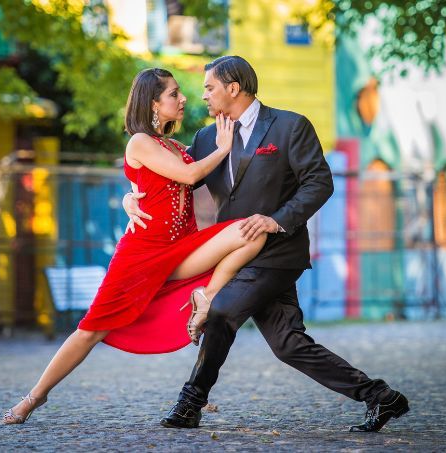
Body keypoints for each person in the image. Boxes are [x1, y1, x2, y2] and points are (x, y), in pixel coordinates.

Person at [124, 56, 409, 433]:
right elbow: (170, 179)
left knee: (221, 311)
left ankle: (189, 403)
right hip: (235, 255)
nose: (203, 95)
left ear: (233, 88)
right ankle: (381, 396)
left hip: (278, 252)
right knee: (288, 344)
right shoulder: (207, 138)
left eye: (210, 87)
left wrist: (277, 220)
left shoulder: (291, 126)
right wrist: (132, 197)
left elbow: (319, 183)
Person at [2, 68, 266, 425]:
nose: (184, 98)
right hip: (142, 255)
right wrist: (222, 149)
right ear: (153, 103)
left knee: (253, 231)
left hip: (183, 248)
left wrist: (131, 195)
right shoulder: (139, 141)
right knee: (91, 330)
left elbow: (159, 181)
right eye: (174, 94)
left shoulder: (173, 146)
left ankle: (204, 297)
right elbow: (189, 176)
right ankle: (34, 397)